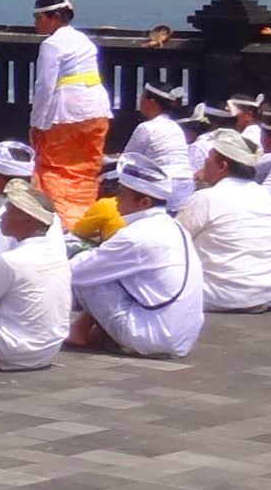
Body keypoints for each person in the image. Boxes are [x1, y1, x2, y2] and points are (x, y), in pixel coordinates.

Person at [64, 132, 206, 357]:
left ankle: (76, 331)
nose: (116, 201)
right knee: (104, 270)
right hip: (180, 336)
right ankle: (90, 331)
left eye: (121, 195)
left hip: (152, 337)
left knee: (87, 276)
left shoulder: (137, 235)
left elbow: (76, 272)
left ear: (144, 202)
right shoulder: (173, 227)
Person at [177, 129, 271, 311]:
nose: (202, 168)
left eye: (207, 163)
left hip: (221, 295)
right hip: (269, 291)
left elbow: (172, 241)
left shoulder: (206, 198)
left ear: (222, 166)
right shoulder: (264, 196)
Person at [26, 0, 109, 224]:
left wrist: (37, 124)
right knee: (87, 169)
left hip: (66, 114)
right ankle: (87, 218)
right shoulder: (83, 40)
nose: (35, 22)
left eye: (39, 17)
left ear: (55, 17)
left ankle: (65, 221)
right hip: (97, 111)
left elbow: (45, 87)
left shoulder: (51, 44)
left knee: (57, 169)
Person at [0, 178, 71, 371]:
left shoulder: (10, 261)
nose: (2, 216)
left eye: (9, 211)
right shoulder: (59, 256)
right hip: (47, 351)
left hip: (10, 352)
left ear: (29, 220)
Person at [123, 78, 193, 209]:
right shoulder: (176, 127)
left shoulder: (146, 127)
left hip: (163, 182)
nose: (140, 101)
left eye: (142, 97)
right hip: (185, 182)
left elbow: (128, 159)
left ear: (151, 102)